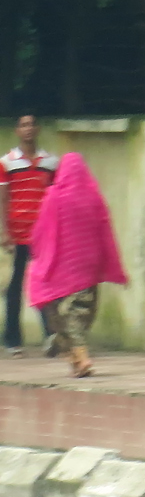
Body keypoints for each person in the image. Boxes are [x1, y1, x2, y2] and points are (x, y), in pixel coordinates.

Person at [25, 154, 126, 378]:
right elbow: (105, 231)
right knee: (81, 314)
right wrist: (107, 262)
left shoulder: (55, 196)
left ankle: (78, 355)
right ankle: (74, 358)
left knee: (64, 314)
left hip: (60, 268)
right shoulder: (94, 197)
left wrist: (40, 256)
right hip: (88, 267)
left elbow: (42, 231)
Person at [1, 114, 59, 356]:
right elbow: (3, 198)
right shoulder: (6, 162)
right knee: (14, 287)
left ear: (38, 128)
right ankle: (12, 340)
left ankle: (51, 337)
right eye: (23, 125)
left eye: (32, 124)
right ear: (17, 130)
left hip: (42, 235)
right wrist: (3, 231)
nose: (28, 129)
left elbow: (56, 198)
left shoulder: (51, 162)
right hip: (16, 234)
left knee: (45, 285)